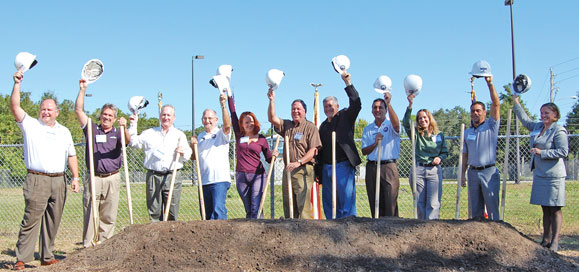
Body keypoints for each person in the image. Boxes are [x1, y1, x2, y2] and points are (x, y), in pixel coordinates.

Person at [10, 71, 80, 270]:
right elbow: (15, 106)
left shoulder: (64, 131)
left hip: (59, 181)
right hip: (37, 179)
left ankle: (46, 256)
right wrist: (17, 84)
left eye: (50, 109)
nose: (46, 112)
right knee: (31, 219)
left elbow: (72, 155)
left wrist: (75, 177)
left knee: (53, 220)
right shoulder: (30, 125)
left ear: (57, 112)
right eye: (43, 109)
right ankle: (22, 258)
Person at [75, 79, 130, 247]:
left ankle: (105, 246)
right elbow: (78, 110)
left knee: (109, 213)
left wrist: (124, 127)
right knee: (91, 210)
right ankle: (88, 245)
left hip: (112, 178)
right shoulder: (91, 128)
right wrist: (82, 90)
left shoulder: (118, 131)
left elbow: (127, 141)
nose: (106, 117)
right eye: (104, 114)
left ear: (114, 118)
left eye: (110, 116)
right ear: (100, 115)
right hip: (94, 177)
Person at [513, 96, 568, 252]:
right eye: (542, 113)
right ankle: (545, 239)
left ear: (555, 114)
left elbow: (563, 151)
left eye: (547, 113)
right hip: (540, 173)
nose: (543, 115)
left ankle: (555, 241)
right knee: (545, 208)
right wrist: (516, 103)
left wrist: (542, 152)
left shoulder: (558, 130)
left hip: (553, 175)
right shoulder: (537, 127)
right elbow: (525, 120)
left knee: (555, 208)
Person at [128, 104, 192, 221]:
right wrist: (133, 124)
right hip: (153, 175)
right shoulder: (149, 133)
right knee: (154, 211)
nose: (166, 117)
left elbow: (188, 153)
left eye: (169, 115)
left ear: (174, 117)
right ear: (160, 116)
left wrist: (183, 152)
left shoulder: (179, 135)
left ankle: (171, 237)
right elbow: (133, 143)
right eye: (163, 114)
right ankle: (156, 237)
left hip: (172, 176)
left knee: (172, 212)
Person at [268, 88, 322, 219]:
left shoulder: (310, 127)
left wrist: (299, 162)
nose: (295, 111)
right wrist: (272, 101)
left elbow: (313, 150)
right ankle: (290, 229)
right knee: (288, 202)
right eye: (293, 109)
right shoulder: (287, 125)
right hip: (288, 169)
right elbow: (272, 118)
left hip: (303, 169)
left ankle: (304, 231)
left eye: (298, 109)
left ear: (305, 111)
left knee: (303, 204)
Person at [316, 72, 361, 219]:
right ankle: (331, 226)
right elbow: (320, 150)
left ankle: (348, 224)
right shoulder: (323, 126)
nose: (328, 109)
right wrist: (319, 172)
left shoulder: (345, 116)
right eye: (325, 107)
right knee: (329, 201)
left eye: (330, 106)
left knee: (345, 199)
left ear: (337, 106)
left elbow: (356, 103)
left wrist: (348, 83)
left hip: (342, 165)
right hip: (327, 167)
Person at [227, 93, 276, 218]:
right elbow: (233, 114)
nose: (250, 124)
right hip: (241, 176)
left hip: (258, 175)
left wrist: (274, 156)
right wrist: (229, 96)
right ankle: (252, 231)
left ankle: (259, 229)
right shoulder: (239, 136)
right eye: (247, 122)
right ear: (242, 124)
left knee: (256, 206)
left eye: (252, 121)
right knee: (249, 209)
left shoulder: (261, 139)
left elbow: (269, 158)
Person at [460, 76, 500, 221]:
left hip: (489, 171)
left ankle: (496, 236)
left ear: (484, 112)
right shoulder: (467, 132)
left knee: (492, 209)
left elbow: (496, 104)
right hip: (473, 173)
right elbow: (465, 155)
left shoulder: (491, 126)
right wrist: (463, 174)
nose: (475, 113)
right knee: (476, 211)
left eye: (478, 111)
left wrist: (489, 83)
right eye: (472, 111)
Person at [403, 94, 448, 220]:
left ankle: (432, 228)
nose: (422, 120)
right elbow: (406, 123)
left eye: (424, 117)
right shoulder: (416, 134)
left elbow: (444, 151)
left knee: (433, 203)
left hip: (434, 171)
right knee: (419, 202)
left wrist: (440, 158)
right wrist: (410, 105)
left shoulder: (439, 135)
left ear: (429, 118)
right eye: (420, 118)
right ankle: (421, 227)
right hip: (419, 170)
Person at [190, 93, 232, 220]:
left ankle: (222, 238)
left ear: (216, 120)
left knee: (218, 211)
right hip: (204, 180)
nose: (207, 120)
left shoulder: (220, 133)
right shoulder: (200, 136)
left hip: (219, 180)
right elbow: (194, 157)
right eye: (205, 118)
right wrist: (193, 146)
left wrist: (223, 106)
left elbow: (228, 126)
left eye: (210, 118)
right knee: (206, 214)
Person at [361, 93, 401, 218]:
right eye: (375, 108)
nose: (377, 110)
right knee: (375, 202)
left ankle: (392, 229)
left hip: (388, 167)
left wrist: (389, 103)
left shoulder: (390, 125)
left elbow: (397, 126)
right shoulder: (368, 129)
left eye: (380, 107)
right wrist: (375, 144)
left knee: (390, 201)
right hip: (372, 167)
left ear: (385, 110)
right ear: (372, 111)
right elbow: (364, 151)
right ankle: (377, 228)